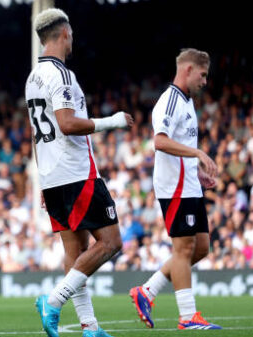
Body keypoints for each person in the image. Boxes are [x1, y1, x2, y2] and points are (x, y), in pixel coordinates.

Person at [26, 8, 134, 337]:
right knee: (111, 242)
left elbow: (36, 133)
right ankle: (54, 302)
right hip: (76, 173)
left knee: (75, 254)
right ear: (64, 34)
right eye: (71, 33)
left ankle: (89, 326)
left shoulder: (33, 77)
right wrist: (112, 121)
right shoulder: (61, 75)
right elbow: (68, 123)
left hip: (53, 175)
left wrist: (44, 180)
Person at [129, 48, 222, 330]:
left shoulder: (187, 102)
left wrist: (197, 169)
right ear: (188, 70)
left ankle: (147, 290)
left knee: (202, 247)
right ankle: (188, 316)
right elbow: (159, 141)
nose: (205, 81)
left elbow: (182, 145)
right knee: (182, 250)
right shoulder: (169, 101)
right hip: (175, 187)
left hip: (190, 184)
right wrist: (198, 155)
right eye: (203, 75)